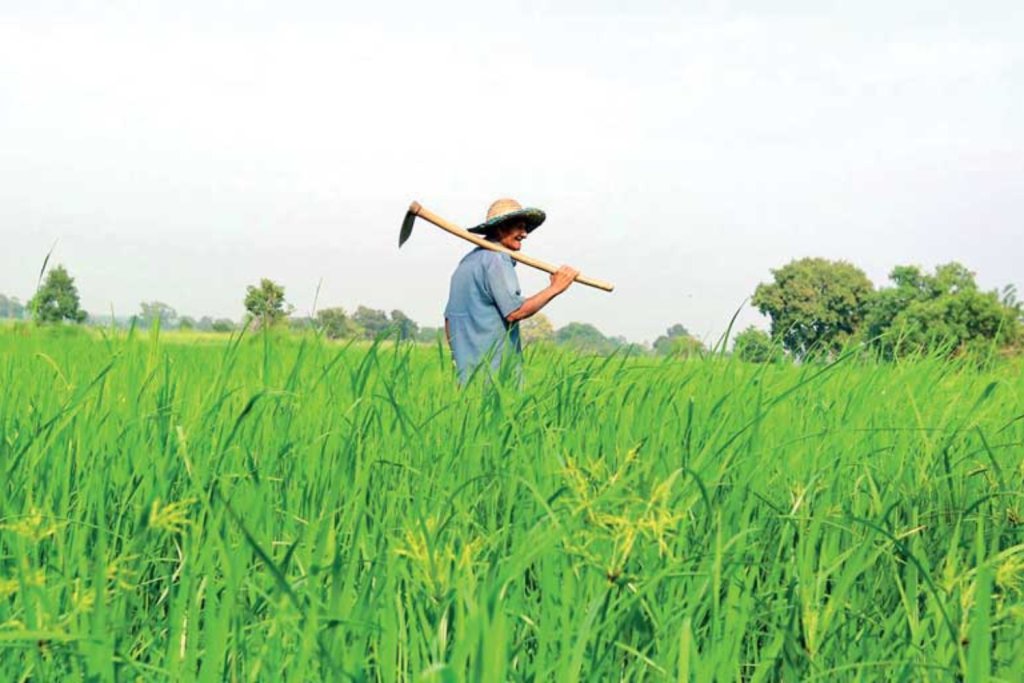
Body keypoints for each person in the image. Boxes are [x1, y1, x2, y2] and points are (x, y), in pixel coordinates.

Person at [444, 198, 579, 384]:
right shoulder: (497, 259)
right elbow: (515, 312)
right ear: (501, 228)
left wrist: (457, 358)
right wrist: (555, 288)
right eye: (520, 227)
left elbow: (449, 320)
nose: (524, 234)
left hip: (467, 378)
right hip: (497, 377)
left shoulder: (467, 262)